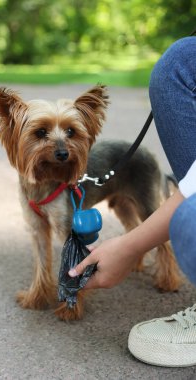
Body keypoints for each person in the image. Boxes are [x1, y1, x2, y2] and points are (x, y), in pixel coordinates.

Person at [69, 36, 196, 367]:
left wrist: (129, 247)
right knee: (177, 64)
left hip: (137, 173)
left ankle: (168, 267)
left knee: (178, 217)